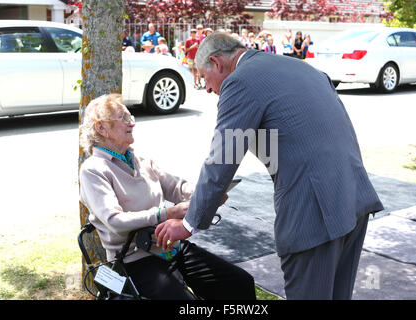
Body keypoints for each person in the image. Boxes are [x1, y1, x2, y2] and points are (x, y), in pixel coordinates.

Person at [154, 32, 384, 300]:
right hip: (353, 197)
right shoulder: (298, 67)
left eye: (204, 78)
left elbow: (223, 157)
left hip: (314, 210)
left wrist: (190, 223)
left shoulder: (240, 81)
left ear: (217, 63)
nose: (206, 88)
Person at [79, 93, 256, 300]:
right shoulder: (93, 169)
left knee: (239, 283)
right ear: (101, 128)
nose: (131, 124)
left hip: (171, 247)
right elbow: (114, 220)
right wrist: (167, 213)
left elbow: (178, 187)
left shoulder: (138, 159)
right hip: (135, 259)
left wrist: (209, 194)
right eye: (124, 119)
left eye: (131, 118)